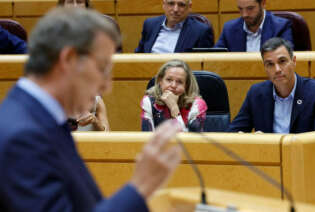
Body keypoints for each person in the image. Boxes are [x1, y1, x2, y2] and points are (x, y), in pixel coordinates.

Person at [0, 8, 182, 212]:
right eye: (102, 68)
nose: (107, 86)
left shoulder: (40, 117)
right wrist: (140, 187)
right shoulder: (22, 137)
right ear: (68, 59)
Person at [228, 37, 315, 133]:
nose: (277, 70)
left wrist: (269, 141)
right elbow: (232, 134)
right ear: (265, 68)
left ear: (294, 61)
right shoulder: (256, 93)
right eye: (270, 64)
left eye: (282, 61)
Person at [141, 59, 207, 132]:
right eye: (169, 80)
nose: (173, 85)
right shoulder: (149, 102)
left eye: (179, 82)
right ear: (160, 81)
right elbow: (147, 138)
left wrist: (174, 108)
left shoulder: (197, 104)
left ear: (186, 86)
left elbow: (189, 141)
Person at [135, 0, 214, 53]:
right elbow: (139, 55)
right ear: (164, 5)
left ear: (189, 7)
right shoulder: (150, 24)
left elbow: (204, 68)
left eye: (181, 5)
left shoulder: (200, 31)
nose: (175, 9)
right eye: (171, 3)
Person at [215, 0, 293, 52]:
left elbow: (285, 58)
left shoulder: (281, 27)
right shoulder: (229, 29)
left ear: (263, 3)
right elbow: (215, 57)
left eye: (250, 8)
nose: (244, 14)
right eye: (240, 9)